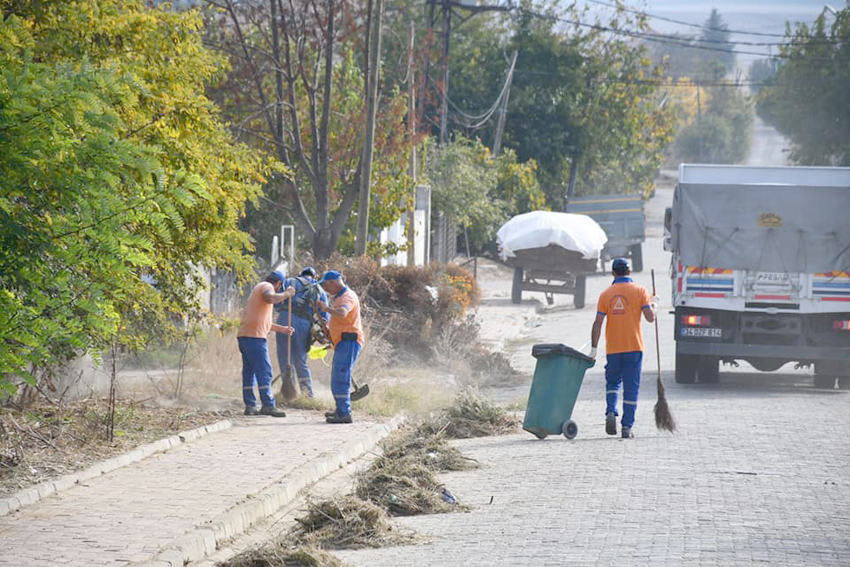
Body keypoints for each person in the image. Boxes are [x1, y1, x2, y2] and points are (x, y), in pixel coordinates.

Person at [589, 258, 657, 438]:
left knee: (612, 382)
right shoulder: (641, 291)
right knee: (631, 387)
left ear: (613, 273)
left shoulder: (605, 294)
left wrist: (594, 350)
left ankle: (611, 410)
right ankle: (627, 427)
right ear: (629, 272)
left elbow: (597, 324)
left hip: (613, 348)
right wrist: (654, 304)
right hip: (634, 347)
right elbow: (650, 318)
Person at [237, 270, 295, 417]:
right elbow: (270, 298)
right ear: (278, 284)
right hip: (255, 339)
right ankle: (268, 405)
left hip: (246, 336)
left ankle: (250, 406)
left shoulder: (259, 291)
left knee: (249, 373)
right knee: (264, 372)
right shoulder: (266, 287)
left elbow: (264, 323)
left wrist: (283, 329)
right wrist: (287, 294)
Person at [315, 270, 364, 424]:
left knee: (341, 377)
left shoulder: (348, 296)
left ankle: (344, 414)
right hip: (342, 342)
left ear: (333, 282)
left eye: (325, 285)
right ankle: (340, 409)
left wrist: (325, 309)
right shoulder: (338, 297)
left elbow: (342, 313)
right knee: (338, 376)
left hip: (349, 341)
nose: (325, 289)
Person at [275, 266, 330, 398]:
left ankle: (289, 393)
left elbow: (277, 303)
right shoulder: (319, 290)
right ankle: (308, 395)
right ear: (314, 276)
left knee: (285, 357)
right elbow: (324, 318)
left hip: (285, 318)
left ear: (301, 274)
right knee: (301, 360)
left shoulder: (290, 281)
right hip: (305, 324)